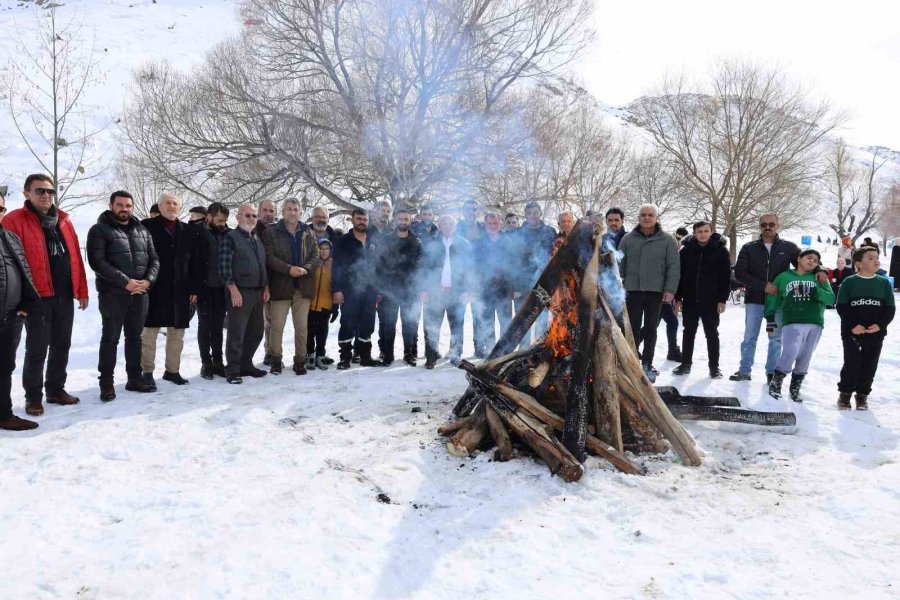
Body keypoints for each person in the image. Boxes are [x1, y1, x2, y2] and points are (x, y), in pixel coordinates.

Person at [3, 174, 88, 416]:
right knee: (37, 348)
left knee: (62, 345)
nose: (46, 195)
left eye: (50, 191)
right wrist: (19, 298)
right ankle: (33, 397)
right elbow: (10, 262)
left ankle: (55, 389)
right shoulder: (14, 221)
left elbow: (75, 259)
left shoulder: (63, 220)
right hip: (36, 298)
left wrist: (81, 289)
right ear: (26, 193)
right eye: (40, 191)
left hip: (64, 295)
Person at [87, 191, 160, 400]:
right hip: (113, 295)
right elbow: (97, 262)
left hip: (140, 294)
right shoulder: (99, 230)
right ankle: (106, 384)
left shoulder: (143, 230)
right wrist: (125, 283)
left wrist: (148, 281)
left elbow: (154, 259)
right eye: (119, 205)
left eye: (128, 205)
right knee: (110, 338)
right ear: (111, 206)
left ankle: (134, 378)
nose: (124, 209)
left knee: (134, 338)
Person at [731, 213, 817, 382]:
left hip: (778, 302)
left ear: (778, 226)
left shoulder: (789, 248)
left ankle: (772, 372)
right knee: (749, 337)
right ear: (759, 227)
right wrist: (763, 286)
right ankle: (744, 370)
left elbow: (805, 262)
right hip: (755, 300)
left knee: (776, 339)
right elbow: (740, 273)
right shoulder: (749, 248)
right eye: (764, 225)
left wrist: (819, 270)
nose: (767, 227)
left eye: (771, 224)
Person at [618, 204, 680, 381]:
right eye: (643, 215)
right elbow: (620, 264)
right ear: (639, 217)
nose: (646, 218)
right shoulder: (628, 239)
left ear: (656, 217)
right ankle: (631, 362)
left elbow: (673, 267)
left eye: (650, 215)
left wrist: (670, 290)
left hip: (656, 291)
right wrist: (619, 284)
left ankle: (647, 363)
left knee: (651, 328)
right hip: (633, 290)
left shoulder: (668, 240)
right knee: (632, 328)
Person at [140, 193, 195, 389]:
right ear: (160, 206)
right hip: (154, 288)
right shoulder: (146, 226)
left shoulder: (187, 230)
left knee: (177, 334)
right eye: (167, 203)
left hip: (181, 289)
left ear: (179, 208)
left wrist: (194, 288)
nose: (171, 206)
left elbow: (194, 262)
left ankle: (172, 371)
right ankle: (146, 372)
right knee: (149, 333)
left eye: (175, 203)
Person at [765, 249, 835, 401]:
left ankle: (795, 388)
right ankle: (776, 383)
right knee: (790, 352)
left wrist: (816, 290)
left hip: (815, 322)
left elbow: (830, 299)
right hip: (792, 321)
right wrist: (770, 319)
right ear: (799, 259)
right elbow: (772, 299)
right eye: (809, 258)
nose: (812, 261)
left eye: (816, 261)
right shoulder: (784, 277)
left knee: (806, 355)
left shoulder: (819, 277)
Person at [262, 198, 321, 375]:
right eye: (289, 209)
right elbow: (269, 257)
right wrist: (289, 269)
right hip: (280, 286)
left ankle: (300, 360)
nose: (292, 212)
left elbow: (315, 256)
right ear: (283, 212)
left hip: (302, 287)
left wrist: (304, 269)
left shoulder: (308, 232)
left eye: (296, 209)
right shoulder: (271, 232)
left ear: (301, 213)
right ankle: (275, 359)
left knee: (301, 327)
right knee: (277, 326)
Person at [0, 192, 42, 431]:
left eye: (0, 209)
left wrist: (26, 305)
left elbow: (25, 271)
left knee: (5, 368)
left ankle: (4, 414)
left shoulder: (11, 238)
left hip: (12, 316)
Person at [835, 247, 895, 410]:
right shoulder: (850, 282)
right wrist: (853, 325)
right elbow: (841, 307)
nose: (876, 260)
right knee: (852, 363)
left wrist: (880, 325)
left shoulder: (883, 283)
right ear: (859, 263)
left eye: (877, 257)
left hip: (875, 333)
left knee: (870, 364)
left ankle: (862, 395)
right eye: (870, 258)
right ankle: (845, 394)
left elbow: (890, 309)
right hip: (852, 332)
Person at [219, 203, 270, 384]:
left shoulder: (256, 239)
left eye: (253, 216)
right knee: (236, 333)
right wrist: (233, 290)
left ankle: (246, 364)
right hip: (240, 292)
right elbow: (224, 267)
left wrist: (266, 287)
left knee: (256, 332)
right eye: (247, 215)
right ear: (238, 217)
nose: (251, 219)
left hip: (258, 292)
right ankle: (232, 369)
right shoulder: (231, 238)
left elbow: (262, 265)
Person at [673, 222, 731, 378]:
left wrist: (722, 300)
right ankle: (686, 364)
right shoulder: (686, 251)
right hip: (690, 299)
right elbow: (680, 276)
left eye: (706, 231)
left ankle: (714, 367)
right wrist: (678, 298)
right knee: (688, 332)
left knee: (712, 333)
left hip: (711, 301)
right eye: (700, 231)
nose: (703, 234)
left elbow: (725, 277)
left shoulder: (721, 251)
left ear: (712, 232)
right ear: (694, 232)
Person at [332, 208, 381, 369]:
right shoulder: (344, 241)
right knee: (348, 323)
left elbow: (380, 267)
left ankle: (365, 357)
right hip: (350, 290)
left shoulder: (375, 240)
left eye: (364, 219)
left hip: (371, 290)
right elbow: (336, 266)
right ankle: (345, 358)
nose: (362, 222)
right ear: (352, 220)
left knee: (368, 324)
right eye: (359, 219)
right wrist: (337, 290)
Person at [421, 215, 472, 368]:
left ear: (455, 226)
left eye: (451, 223)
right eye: (444, 223)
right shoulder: (431, 243)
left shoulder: (464, 244)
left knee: (457, 325)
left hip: (457, 293)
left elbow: (470, 270)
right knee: (431, 325)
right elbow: (423, 267)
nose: (448, 226)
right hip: (435, 292)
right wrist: (423, 289)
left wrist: (467, 290)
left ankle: (455, 355)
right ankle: (431, 356)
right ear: (439, 226)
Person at [375, 208, 423, 366]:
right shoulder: (386, 240)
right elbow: (379, 266)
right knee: (389, 323)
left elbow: (421, 267)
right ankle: (387, 354)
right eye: (400, 219)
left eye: (406, 219)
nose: (403, 222)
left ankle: (409, 354)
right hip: (390, 289)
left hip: (410, 290)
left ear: (410, 221)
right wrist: (380, 289)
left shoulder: (416, 241)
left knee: (409, 323)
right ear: (395, 220)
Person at [191, 202, 230, 380]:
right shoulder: (197, 233)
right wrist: (192, 288)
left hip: (222, 288)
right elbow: (189, 262)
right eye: (219, 220)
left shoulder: (229, 234)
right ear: (209, 216)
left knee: (218, 326)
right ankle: (206, 363)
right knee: (205, 326)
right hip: (203, 288)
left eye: (224, 220)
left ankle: (218, 362)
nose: (222, 223)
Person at [510, 201, 556, 348]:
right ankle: (522, 355)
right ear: (525, 214)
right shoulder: (517, 233)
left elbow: (554, 256)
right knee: (523, 322)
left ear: (540, 214)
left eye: (535, 212)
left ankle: (537, 353)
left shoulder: (550, 232)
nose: (532, 216)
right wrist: (515, 287)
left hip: (543, 283)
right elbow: (513, 263)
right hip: (522, 285)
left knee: (541, 320)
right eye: (529, 213)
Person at [472, 211, 513, 357]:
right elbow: (473, 268)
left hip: (504, 290)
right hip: (485, 291)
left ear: (500, 224)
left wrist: (514, 288)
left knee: (506, 323)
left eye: (495, 223)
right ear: (485, 225)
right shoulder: (478, 243)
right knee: (487, 323)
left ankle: (506, 352)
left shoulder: (508, 242)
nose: (493, 226)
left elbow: (514, 267)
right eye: (489, 223)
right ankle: (491, 351)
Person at [307, 239, 337, 370]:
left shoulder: (335, 265)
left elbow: (337, 286)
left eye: (326, 249)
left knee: (322, 332)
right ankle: (309, 354)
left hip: (326, 303)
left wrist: (336, 306)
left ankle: (320, 354)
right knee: (309, 331)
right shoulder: (312, 263)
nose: (324, 251)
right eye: (321, 248)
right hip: (311, 303)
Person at [255, 199, 278, 365]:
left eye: (271, 211)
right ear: (259, 211)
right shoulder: (251, 230)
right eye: (265, 210)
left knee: (272, 321)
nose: (268, 214)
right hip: (255, 282)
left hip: (277, 282)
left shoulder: (279, 230)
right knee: (258, 322)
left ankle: (270, 351)